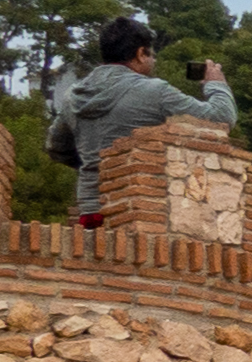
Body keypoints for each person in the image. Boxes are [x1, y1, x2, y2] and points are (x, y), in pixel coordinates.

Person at [48, 15, 235, 229]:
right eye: (151, 54)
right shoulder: (154, 91)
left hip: (91, 210)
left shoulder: (73, 96)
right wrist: (216, 84)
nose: (153, 61)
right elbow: (222, 119)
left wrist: (96, 163)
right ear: (140, 54)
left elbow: (56, 148)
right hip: (140, 212)